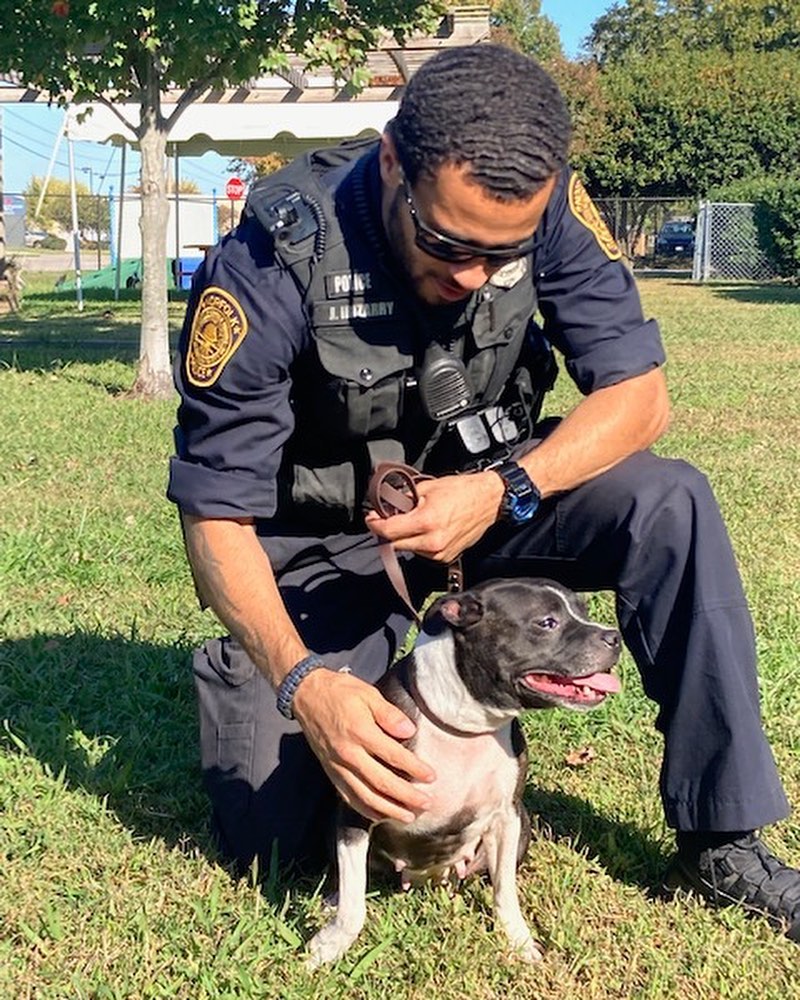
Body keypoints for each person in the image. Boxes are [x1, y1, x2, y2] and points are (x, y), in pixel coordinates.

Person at [167, 43, 800, 940]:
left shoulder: (544, 207)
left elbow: (639, 397)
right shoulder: (273, 259)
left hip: (495, 502)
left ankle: (722, 837)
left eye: (498, 258)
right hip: (332, 546)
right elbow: (214, 515)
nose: (470, 276)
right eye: (446, 243)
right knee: (274, 840)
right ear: (393, 163)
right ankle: (314, 676)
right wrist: (303, 682)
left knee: (671, 501)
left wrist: (500, 489)